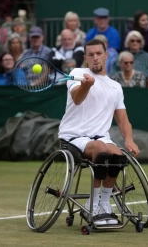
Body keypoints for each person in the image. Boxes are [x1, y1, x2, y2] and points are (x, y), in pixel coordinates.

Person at [58, 39, 140, 226]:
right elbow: (77, 99)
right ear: (86, 58)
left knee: (118, 154)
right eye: (91, 55)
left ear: (106, 55)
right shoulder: (78, 74)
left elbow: (123, 120)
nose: (95, 58)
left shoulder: (115, 87)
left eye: (98, 54)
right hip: (73, 137)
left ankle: (104, 203)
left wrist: (129, 139)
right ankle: (92, 203)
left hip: (100, 138)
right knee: (102, 148)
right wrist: (87, 85)